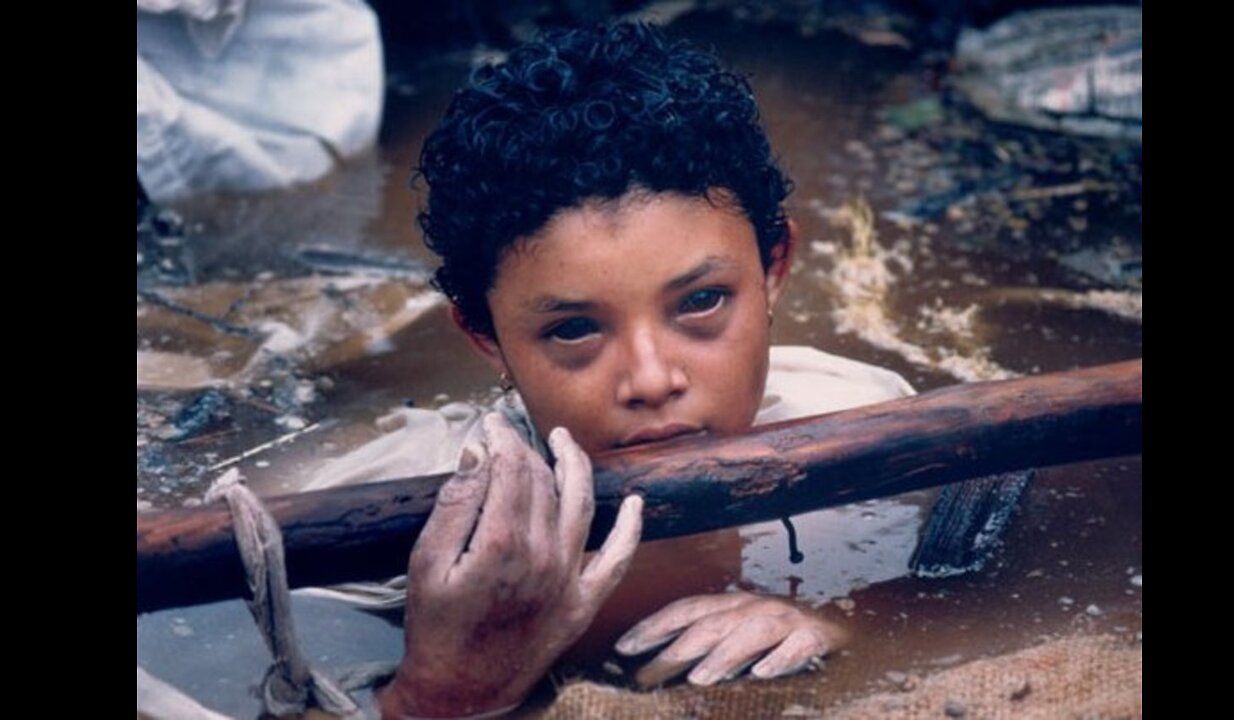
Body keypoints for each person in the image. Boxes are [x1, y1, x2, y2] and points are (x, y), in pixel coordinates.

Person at [366, 22, 916, 718]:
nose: (652, 380)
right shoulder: (397, 535)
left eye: (702, 302)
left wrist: (843, 621)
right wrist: (437, 694)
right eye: (573, 329)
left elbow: (977, 582)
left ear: (774, 269)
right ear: (485, 335)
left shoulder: (871, 427)